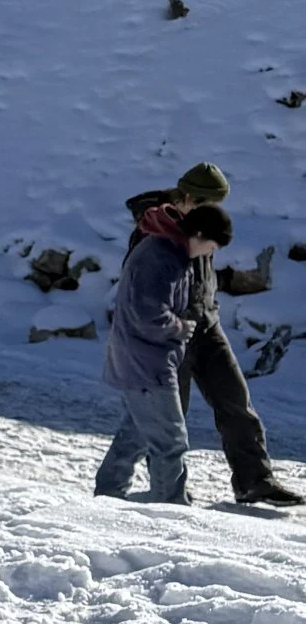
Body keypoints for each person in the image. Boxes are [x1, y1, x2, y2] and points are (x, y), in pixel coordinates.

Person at [118, 165, 302, 509]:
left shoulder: (200, 220)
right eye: (208, 202)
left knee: (235, 399)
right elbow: (141, 293)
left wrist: (207, 309)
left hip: (206, 325)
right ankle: (164, 492)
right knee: (167, 415)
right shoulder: (152, 231)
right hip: (172, 334)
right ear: (188, 197)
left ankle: (254, 481)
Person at [97, 194, 236, 503]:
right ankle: (170, 511)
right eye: (211, 246)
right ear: (199, 235)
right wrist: (180, 327)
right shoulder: (161, 256)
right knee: (171, 442)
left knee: (135, 435)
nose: (210, 254)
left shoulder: (172, 250)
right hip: (148, 363)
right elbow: (148, 313)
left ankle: (107, 497)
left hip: (145, 360)